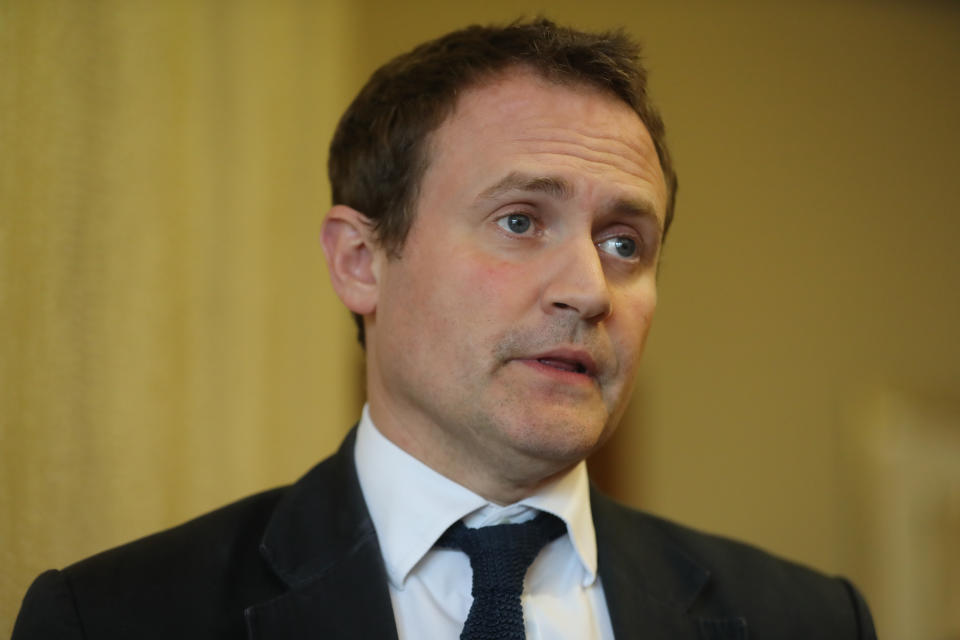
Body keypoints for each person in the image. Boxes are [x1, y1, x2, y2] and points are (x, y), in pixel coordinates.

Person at [13, 19, 876, 639]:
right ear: (360, 260)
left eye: (624, 242)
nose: (588, 287)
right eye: (519, 221)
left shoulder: (810, 619)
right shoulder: (115, 617)